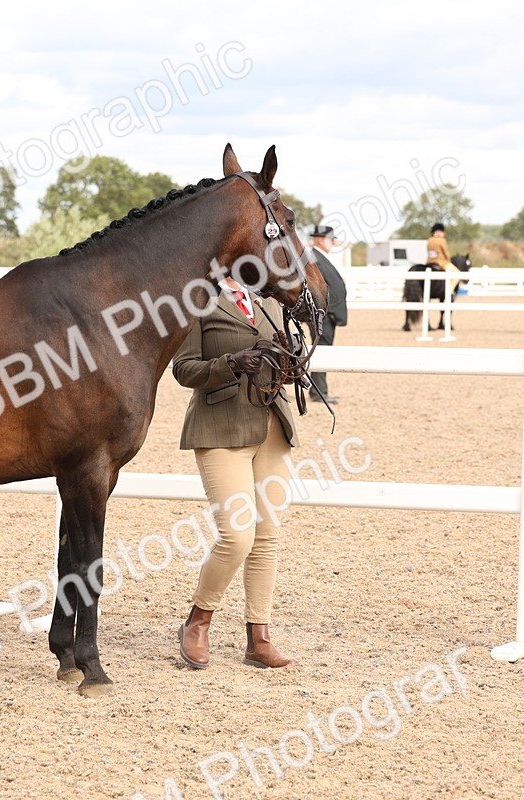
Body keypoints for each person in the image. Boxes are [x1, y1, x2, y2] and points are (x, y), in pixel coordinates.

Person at [172, 276, 299, 670]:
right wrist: (231, 363)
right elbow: (183, 369)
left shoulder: (269, 300)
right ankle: (199, 620)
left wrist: (289, 363)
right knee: (237, 535)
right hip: (220, 428)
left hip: (272, 427)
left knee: (267, 536)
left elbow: (281, 362)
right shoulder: (197, 301)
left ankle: (258, 637)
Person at [307, 225, 347, 404]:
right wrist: (327, 311)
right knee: (321, 351)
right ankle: (319, 392)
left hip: (326, 315)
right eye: (331, 240)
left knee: (323, 350)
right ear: (321, 240)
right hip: (323, 315)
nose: (333, 243)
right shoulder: (314, 259)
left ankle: (320, 391)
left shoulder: (319, 257)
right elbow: (316, 288)